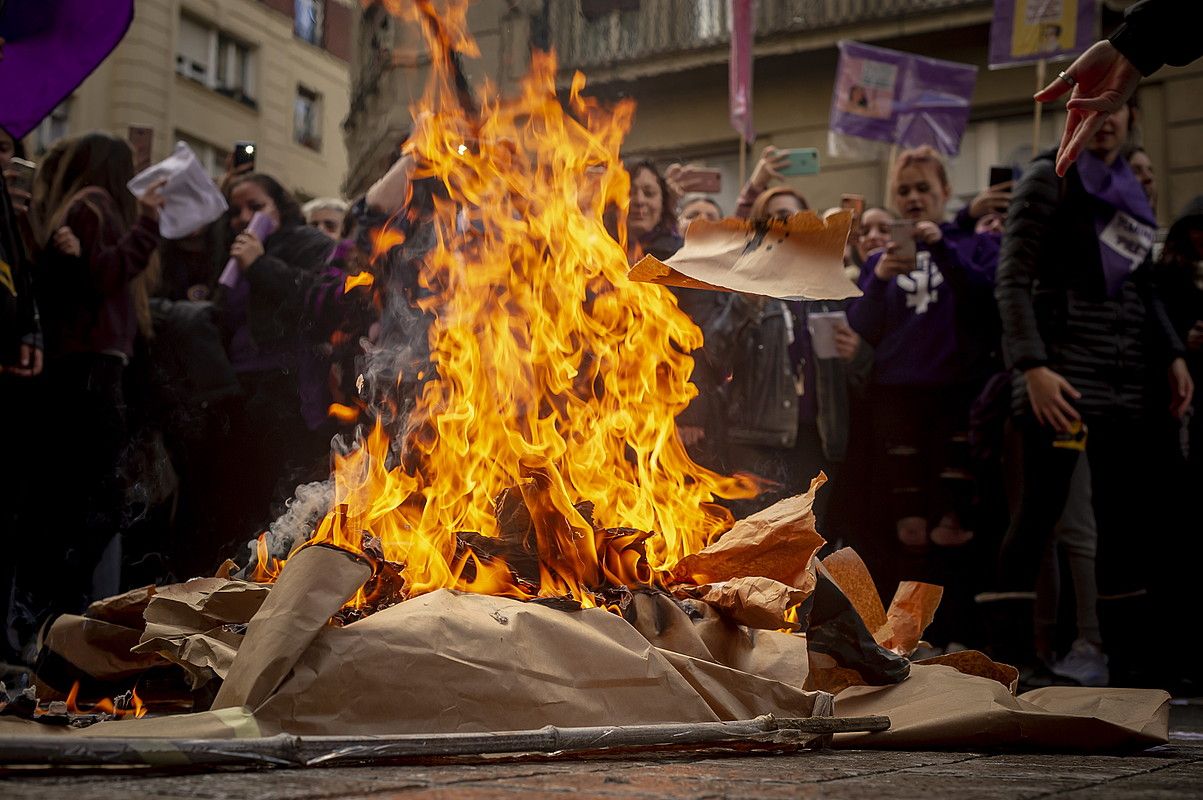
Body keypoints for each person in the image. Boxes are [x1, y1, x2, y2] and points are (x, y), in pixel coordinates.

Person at [994, 94, 1192, 683]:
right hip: (1059, 382)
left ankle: (1128, 665)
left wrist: (1175, 356)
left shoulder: (1128, 185)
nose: (1104, 122)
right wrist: (1032, 367)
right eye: (1092, 110)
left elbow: (1144, 288)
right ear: (1071, 116)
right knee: (1038, 517)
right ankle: (1013, 662)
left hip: (1125, 381)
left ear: (1132, 116)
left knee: (1122, 522)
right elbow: (1012, 282)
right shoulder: (1045, 179)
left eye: (1116, 110)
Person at [22, 132, 165, 619]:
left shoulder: (83, 209)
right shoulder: (94, 206)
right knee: (103, 496)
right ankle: (61, 601)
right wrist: (148, 223)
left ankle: (59, 602)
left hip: (89, 367)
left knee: (91, 496)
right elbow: (108, 273)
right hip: (90, 370)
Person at [216, 173, 335, 543]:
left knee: (284, 510)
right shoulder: (227, 255)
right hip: (238, 391)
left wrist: (260, 264)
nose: (244, 217)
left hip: (290, 393)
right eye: (235, 210)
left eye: (256, 206)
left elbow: (319, 302)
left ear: (279, 207)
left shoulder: (308, 244)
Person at [1036, 0, 1203, 176]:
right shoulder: (1051, 175)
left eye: (1112, 110)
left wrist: (1131, 45)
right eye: (1088, 107)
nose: (1103, 120)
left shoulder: (1134, 178)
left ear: (1133, 117)